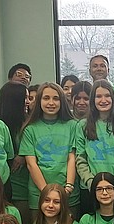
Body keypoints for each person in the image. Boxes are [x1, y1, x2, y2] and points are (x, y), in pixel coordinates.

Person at [73, 80, 114, 213]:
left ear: (113, 99)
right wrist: (92, 183)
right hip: (90, 188)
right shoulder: (82, 125)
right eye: (98, 96)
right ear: (93, 100)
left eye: (107, 96)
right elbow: (80, 158)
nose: (103, 100)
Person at [23, 81, 80, 216]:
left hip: (68, 195)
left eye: (56, 98)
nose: (51, 103)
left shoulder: (73, 126)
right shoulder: (30, 129)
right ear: (39, 101)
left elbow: (72, 157)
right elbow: (31, 164)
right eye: (46, 98)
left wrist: (68, 187)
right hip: (39, 195)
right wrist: (47, 195)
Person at [0, 81, 32, 220]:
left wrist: (23, 155)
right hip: (2, 189)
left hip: (24, 191)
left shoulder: (29, 124)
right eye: (25, 98)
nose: (28, 102)